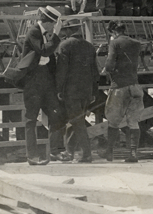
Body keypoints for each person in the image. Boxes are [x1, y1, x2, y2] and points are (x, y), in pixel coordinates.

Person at [9, 6, 66, 166]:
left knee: (57, 114)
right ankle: (32, 156)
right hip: (33, 82)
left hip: (46, 82)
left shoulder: (44, 32)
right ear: (48, 23)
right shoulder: (34, 31)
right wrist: (55, 36)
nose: (54, 28)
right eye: (54, 25)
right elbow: (44, 52)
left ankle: (55, 150)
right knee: (31, 119)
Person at [53, 16, 100, 163]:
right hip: (86, 91)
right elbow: (95, 72)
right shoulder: (89, 46)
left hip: (71, 91)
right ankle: (69, 152)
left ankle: (86, 154)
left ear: (67, 31)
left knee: (77, 123)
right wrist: (94, 91)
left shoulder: (64, 45)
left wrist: (59, 89)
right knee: (75, 121)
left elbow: (61, 71)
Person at [102, 20, 143, 162]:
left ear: (113, 31)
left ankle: (109, 152)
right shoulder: (136, 43)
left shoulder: (114, 43)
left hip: (119, 86)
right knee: (133, 121)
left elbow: (109, 65)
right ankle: (133, 153)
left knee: (113, 121)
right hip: (134, 85)